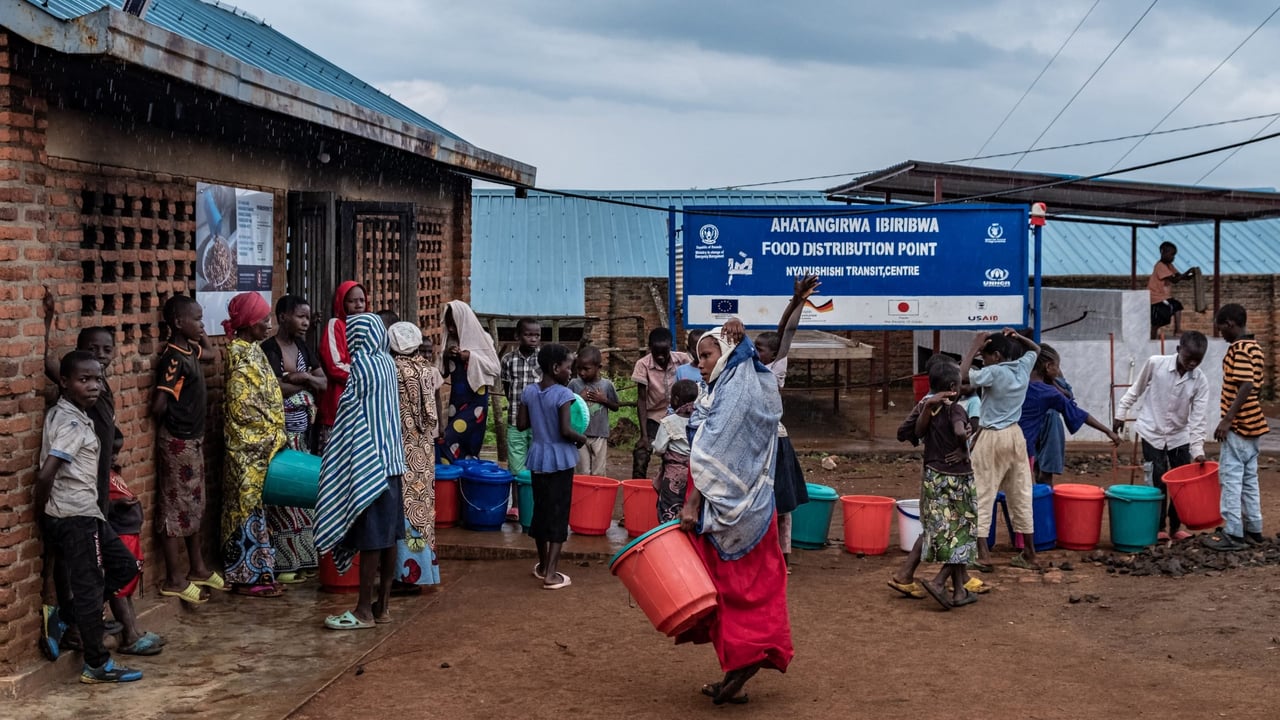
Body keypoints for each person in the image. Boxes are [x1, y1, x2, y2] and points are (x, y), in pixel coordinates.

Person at [677, 325, 792, 706]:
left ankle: (746, 661)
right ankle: (737, 671)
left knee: (733, 592)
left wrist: (692, 504)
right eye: (698, 357)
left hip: (732, 516)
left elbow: (712, 459)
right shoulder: (731, 391)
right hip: (753, 511)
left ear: (726, 354)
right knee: (740, 592)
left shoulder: (737, 395)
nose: (700, 364)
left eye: (707, 356)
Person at [36, 350, 143, 683]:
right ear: (65, 383)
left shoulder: (79, 414)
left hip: (88, 513)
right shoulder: (68, 422)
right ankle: (96, 663)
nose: (94, 386)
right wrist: (44, 514)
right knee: (89, 587)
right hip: (74, 516)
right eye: (84, 380)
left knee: (125, 566)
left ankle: (72, 615)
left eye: (97, 379)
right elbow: (45, 474)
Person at [316, 313, 407, 629]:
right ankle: (382, 607)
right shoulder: (387, 364)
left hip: (372, 467)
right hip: (392, 462)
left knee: (371, 538)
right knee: (389, 537)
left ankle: (362, 612)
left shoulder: (363, 368)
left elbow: (348, 416)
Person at [151, 295, 221, 605]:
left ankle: (198, 569)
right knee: (175, 508)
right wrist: (176, 418)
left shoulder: (189, 350)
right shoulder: (173, 358)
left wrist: (200, 333)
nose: (202, 324)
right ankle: (174, 578)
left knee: (193, 506)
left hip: (192, 439)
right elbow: (159, 404)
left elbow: (212, 356)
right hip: (178, 442)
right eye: (197, 319)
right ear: (178, 322)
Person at [892, 361, 979, 610]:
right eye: (961, 383)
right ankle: (940, 582)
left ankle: (960, 590)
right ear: (953, 387)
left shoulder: (929, 407)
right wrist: (964, 449)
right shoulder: (957, 410)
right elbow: (960, 432)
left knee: (941, 528)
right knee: (963, 530)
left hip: (933, 476)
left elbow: (914, 432)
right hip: (958, 478)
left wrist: (928, 407)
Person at [221, 292, 288, 597]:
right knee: (245, 509)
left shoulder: (253, 349)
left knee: (258, 510)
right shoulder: (239, 355)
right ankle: (245, 577)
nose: (268, 325)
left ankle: (260, 572)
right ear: (249, 323)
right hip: (248, 451)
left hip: (263, 449)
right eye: (263, 319)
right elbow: (242, 410)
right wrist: (269, 435)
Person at [1114, 332, 1209, 542]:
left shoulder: (1200, 381)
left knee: (1180, 482)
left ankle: (1176, 527)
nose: (1192, 364)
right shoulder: (1155, 364)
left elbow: (1198, 418)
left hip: (1179, 436)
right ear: (1178, 350)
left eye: (1198, 360)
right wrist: (1121, 413)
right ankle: (1159, 526)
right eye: (1188, 358)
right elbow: (1136, 390)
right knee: (1157, 478)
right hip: (1152, 430)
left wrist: (1198, 450)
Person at [753, 275, 820, 570]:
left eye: (760, 350)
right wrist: (793, 299)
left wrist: (800, 302)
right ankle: (761, 553)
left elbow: (786, 332)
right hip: (756, 440)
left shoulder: (774, 369)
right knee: (758, 500)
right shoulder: (749, 369)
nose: (755, 352)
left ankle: (784, 557)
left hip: (776, 440)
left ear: (772, 355)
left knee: (780, 501)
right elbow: (780, 332)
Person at [959, 328, 1040, 571]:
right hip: (1016, 436)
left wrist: (974, 344)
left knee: (982, 493)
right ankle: (1029, 553)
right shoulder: (1024, 367)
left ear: (996, 355)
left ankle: (983, 554)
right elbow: (1036, 349)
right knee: (1021, 494)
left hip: (992, 436)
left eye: (985, 355)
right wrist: (1019, 337)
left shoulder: (993, 372)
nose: (982, 359)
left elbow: (962, 376)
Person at [260, 295, 327, 583]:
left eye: (308, 317)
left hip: (302, 436)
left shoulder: (302, 347)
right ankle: (285, 564)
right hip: (279, 439)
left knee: (302, 496)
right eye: (300, 316)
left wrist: (300, 377)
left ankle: (304, 558)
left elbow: (322, 382)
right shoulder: (268, 349)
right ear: (283, 316)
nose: (305, 322)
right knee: (283, 498)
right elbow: (272, 387)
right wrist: (301, 380)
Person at [518, 343, 588, 590]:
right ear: (556, 368)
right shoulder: (563, 395)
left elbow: (520, 424)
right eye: (569, 368)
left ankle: (542, 564)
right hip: (560, 460)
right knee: (559, 514)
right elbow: (566, 430)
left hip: (537, 457)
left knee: (541, 510)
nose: (572, 372)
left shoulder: (528, 392)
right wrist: (582, 439)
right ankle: (551, 573)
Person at [1204, 304, 1268, 551]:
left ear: (1230, 324)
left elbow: (1246, 385)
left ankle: (1233, 534)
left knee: (1230, 479)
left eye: (1220, 328)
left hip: (1239, 426)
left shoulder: (1238, 349)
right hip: (1254, 424)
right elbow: (1256, 386)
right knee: (1250, 479)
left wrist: (1228, 419)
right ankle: (1254, 529)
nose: (1220, 333)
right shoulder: (1255, 347)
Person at [388, 322, 443, 589]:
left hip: (400, 449)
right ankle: (421, 573)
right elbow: (431, 415)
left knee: (402, 508)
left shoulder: (392, 371)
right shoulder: (424, 369)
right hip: (423, 448)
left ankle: (402, 575)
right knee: (422, 509)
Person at [1020, 344, 1121, 477]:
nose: (1058, 371)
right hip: (1027, 445)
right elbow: (1078, 413)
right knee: (1032, 481)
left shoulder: (1016, 383)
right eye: (1057, 366)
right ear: (1048, 366)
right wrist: (1107, 431)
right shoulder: (1048, 392)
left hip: (1009, 441)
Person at [105, 463, 164, 656]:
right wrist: (116, 506)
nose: (114, 456)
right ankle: (130, 636)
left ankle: (135, 631)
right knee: (121, 589)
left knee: (128, 586)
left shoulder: (111, 471)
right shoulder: (98, 472)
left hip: (128, 532)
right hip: (119, 534)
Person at [439, 300, 501, 461]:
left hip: (475, 402)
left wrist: (470, 357)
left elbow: (495, 368)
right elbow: (442, 374)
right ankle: (458, 481)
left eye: (454, 324)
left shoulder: (483, 340)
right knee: (457, 445)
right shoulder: (450, 342)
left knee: (449, 439)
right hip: (456, 402)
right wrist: (446, 356)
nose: (451, 329)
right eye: (449, 324)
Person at [631, 328, 691, 479]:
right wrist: (644, 436)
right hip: (654, 417)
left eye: (664, 352)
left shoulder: (683, 360)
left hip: (679, 416)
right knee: (641, 453)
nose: (661, 357)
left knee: (680, 453)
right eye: (656, 352)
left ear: (671, 346)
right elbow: (642, 400)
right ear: (649, 347)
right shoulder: (642, 365)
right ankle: (637, 488)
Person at [319, 281, 367, 452]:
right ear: (342, 302)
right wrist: (365, 374)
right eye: (352, 301)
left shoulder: (369, 326)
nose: (359, 305)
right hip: (338, 406)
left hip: (363, 409)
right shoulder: (336, 325)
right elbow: (335, 366)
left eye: (362, 300)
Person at [501, 317, 541, 518]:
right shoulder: (508, 360)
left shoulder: (543, 359)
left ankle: (535, 503)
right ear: (518, 336)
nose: (533, 339)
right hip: (515, 420)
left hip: (539, 423)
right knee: (516, 464)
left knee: (537, 462)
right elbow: (507, 387)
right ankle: (516, 505)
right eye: (528, 334)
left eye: (536, 335)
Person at [653, 379, 699, 522]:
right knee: (689, 506)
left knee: (669, 505)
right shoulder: (700, 421)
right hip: (695, 474)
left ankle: (668, 534)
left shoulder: (669, 422)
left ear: (676, 399)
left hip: (673, 474)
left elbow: (659, 448)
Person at [568, 345, 619, 475]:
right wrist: (579, 397)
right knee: (582, 471)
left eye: (586, 369)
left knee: (599, 471)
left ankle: (598, 495)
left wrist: (604, 400)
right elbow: (566, 406)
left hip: (600, 434)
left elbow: (616, 406)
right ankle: (583, 495)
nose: (582, 372)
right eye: (579, 368)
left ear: (598, 368)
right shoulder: (574, 384)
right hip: (579, 434)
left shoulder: (606, 385)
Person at [1149, 241, 1194, 337]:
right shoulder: (1160, 266)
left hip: (1163, 297)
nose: (1173, 257)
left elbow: (1178, 276)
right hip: (1156, 297)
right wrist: (1186, 274)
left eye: (1174, 255)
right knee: (1159, 319)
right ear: (1163, 252)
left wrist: (1189, 276)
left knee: (1176, 306)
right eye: (1171, 254)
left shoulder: (1169, 265)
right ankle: (1155, 336)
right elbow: (1174, 280)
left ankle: (1177, 330)